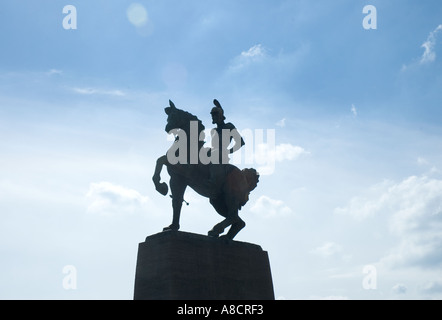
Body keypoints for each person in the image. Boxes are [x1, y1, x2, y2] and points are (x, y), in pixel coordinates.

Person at [207, 99, 245, 196]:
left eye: (214, 115)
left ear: (220, 115)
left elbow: (240, 142)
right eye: (212, 115)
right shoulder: (213, 130)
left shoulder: (229, 126)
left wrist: (229, 151)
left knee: (215, 152)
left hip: (221, 154)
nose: (213, 117)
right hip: (213, 152)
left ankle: (213, 182)